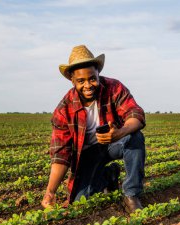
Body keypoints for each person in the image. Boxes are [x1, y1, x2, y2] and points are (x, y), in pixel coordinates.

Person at [41, 45, 146, 213]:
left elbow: (135, 114)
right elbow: (61, 154)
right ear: (72, 80)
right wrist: (50, 192)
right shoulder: (63, 110)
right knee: (80, 200)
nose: (88, 85)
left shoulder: (113, 87)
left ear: (98, 73)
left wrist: (120, 132)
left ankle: (131, 194)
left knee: (135, 137)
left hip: (114, 143)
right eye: (81, 81)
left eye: (92, 78)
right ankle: (109, 175)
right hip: (88, 154)